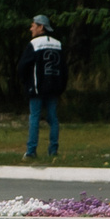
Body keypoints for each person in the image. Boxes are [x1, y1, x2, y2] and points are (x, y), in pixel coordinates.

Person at [19, 14, 68, 159]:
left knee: (34, 118)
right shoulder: (57, 44)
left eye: (33, 25)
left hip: (37, 88)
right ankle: (53, 150)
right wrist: (61, 86)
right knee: (53, 118)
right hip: (54, 87)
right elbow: (64, 69)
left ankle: (31, 151)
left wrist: (26, 83)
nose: (31, 28)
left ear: (41, 27)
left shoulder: (34, 44)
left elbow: (22, 66)